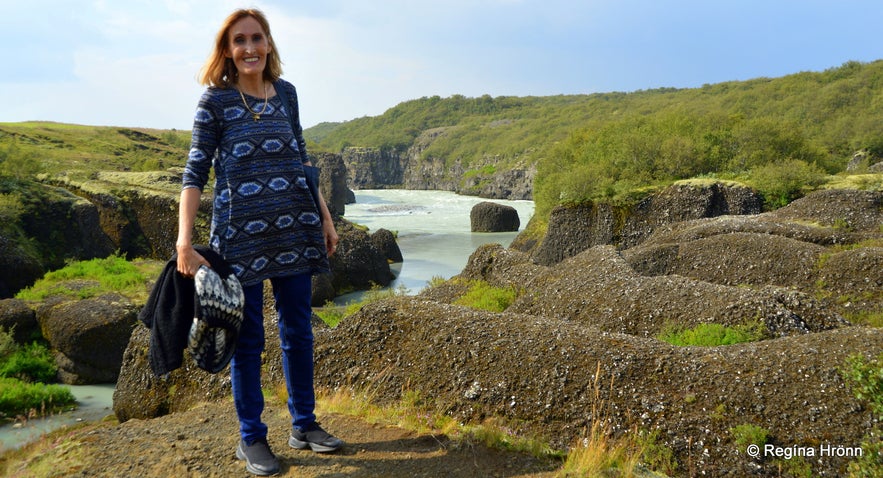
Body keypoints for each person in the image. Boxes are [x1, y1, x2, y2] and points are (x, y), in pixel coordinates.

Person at [175, 8, 341, 476]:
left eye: (256, 38)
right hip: (238, 240)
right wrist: (185, 243)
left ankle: (304, 425)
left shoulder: (286, 94)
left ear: (269, 44)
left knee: (299, 332)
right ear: (227, 50)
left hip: (295, 229)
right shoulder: (215, 102)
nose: (249, 48)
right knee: (247, 340)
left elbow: (302, 162)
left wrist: (325, 219)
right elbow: (194, 175)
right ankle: (251, 439)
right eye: (239, 41)